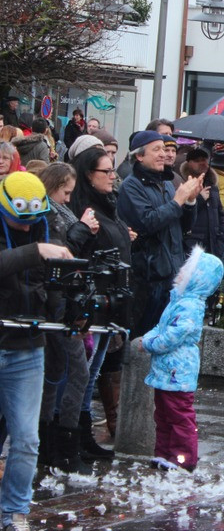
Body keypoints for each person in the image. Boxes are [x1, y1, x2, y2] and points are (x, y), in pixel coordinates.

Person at [0, 172, 75, 531]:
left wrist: (68, 313)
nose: (28, 228)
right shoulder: (36, 241)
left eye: (34, 223)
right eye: (20, 221)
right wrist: (35, 252)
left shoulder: (48, 227)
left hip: (28, 346)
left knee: (27, 439)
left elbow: (56, 285)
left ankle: (14, 511)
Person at [36, 164, 102, 472]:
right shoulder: (49, 215)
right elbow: (60, 257)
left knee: (62, 373)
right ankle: (59, 444)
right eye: (65, 191)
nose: (68, 197)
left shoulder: (60, 212)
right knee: (70, 373)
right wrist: (82, 230)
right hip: (58, 304)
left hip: (67, 302)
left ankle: (53, 446)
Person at [135, 246, 223, 472]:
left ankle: (183, 458)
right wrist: (149, 336)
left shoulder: (190, 305)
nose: (180, 273)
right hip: (166, 370)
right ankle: (163, 454)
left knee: (179, 415)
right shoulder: (178, 299)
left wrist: (148, 344)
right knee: (163, 414)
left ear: (198, 279)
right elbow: (162, 325)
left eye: (188, 271)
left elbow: (174, 335)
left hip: (178, 370)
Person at [69, 147, 131, 443]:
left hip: (112, 299)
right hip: (91, 302)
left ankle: (86, 434)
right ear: (88, 175)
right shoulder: (82, 208)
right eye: (105, 172)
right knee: (84, 374)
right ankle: (77, 434)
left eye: (112, 170)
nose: (112, 176)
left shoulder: (109, 203)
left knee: (98, 370)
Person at [117, 131, 201, 338]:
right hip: (148, 276)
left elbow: (183, 227)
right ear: (139, 156)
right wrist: (177, 201)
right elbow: (147, 222)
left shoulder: (165, 183)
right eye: (157, 150)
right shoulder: (131, 186)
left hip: (171, 272)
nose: (163, 154)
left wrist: (190, 201)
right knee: (144, 338)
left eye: (164, 149)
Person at [180, 147, 224, 258]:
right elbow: (181, 216)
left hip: (213, 247)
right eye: (197, 160)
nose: (202, 163)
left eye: (204, 159)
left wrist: (220, 242)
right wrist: (199, 199)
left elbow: (221, 216)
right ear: (189, 163)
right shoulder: (184, 185)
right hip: (192, 248)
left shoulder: (212, 186)